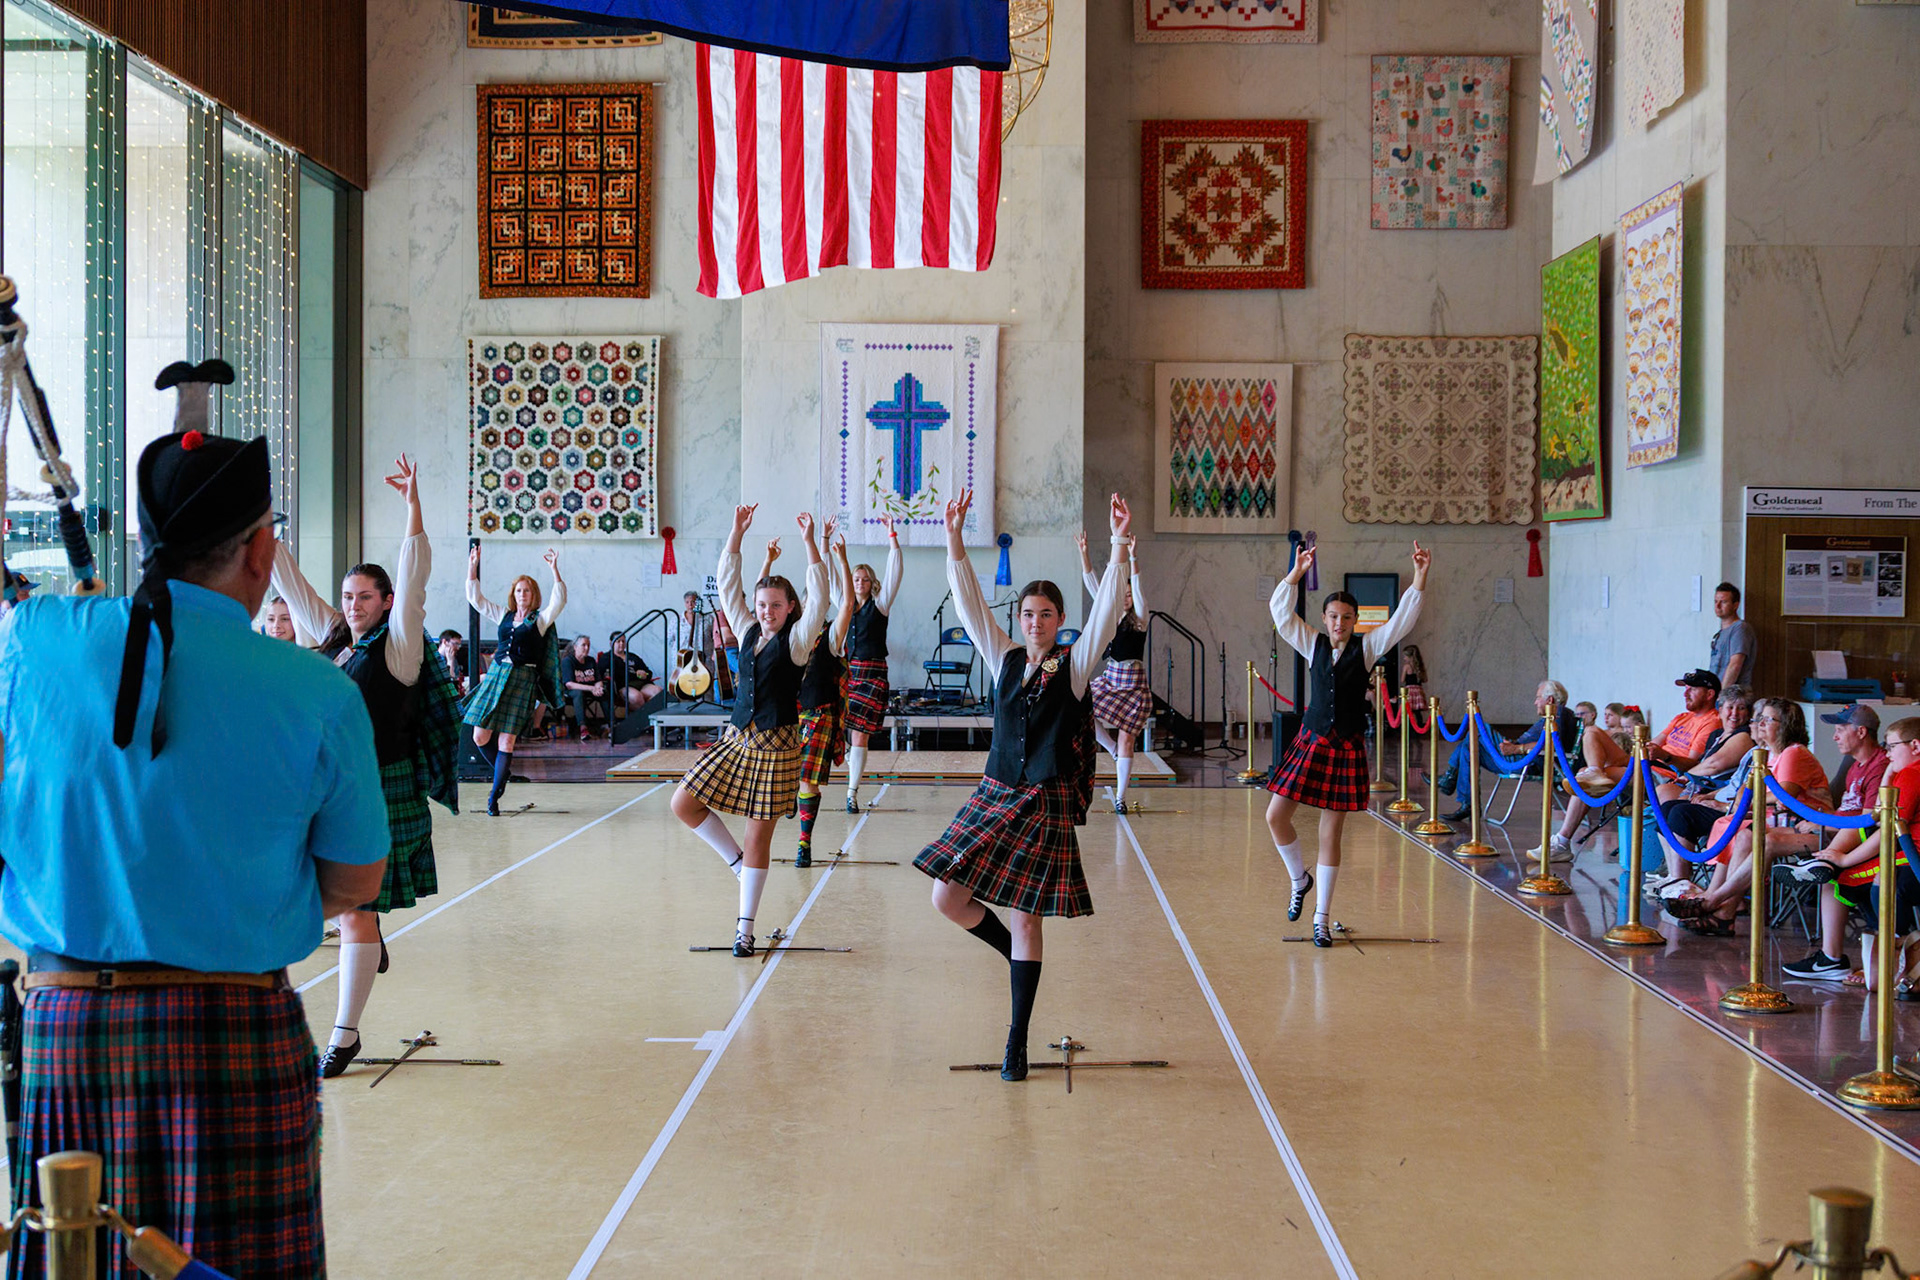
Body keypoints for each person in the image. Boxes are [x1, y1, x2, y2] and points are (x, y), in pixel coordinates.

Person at [0, 430, 389, 1276]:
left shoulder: (33, 640)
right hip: (234, 1030)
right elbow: (356, 880)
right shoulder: (318, 689)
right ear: (260, 550)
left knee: (78, 1258)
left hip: (69, 1024)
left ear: (146, 542)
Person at [916, 490, 1129, 1082]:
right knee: (946, 897)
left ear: (1061, 623)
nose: (1035, 623)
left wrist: (1116, 546)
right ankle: (1015, 957)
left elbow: (1109, 610)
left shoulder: (1075, 667)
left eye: (1046, 615)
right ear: (1019, 622)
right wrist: (954, 538)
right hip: (996, 789)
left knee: (1028, 921)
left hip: (1045, 798)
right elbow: (969, 605)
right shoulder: (1004, 655)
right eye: (1028, 615)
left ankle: (1017, 1040)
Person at [271, 455, 461, 1077]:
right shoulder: (332, 635)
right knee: (327, 903)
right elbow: (292, 585)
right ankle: (367, 944)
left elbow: (414, 581)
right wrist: (263, 531)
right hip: (328, 789)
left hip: (383, 788)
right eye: (348, 596)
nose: (353, 605)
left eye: (365, 597)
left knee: (356, 912)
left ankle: (343, 1035)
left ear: (384, 603)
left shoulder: (401, 646)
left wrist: (412, 508)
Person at [670, 506, 827, 956]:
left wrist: (811, 544)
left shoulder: (797, 641)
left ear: (790, 608)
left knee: (760, 834)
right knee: (683, 803)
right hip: (738, 738)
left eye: (776, 605)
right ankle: (738, 864)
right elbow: (726, 586)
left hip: (777, 744)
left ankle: (744, 929)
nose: (767, 611)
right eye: (762, 605)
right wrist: (736, 533)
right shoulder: (746, 628)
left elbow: (820, 596)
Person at [1265, 540, 1430, 946]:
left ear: (1357, 620)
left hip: (1347, 746)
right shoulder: (1311, 642)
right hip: (1312, 739)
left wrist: (1420, 576)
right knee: (1275, 816)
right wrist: (1297, 573)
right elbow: (1280, 613)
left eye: (1347, 617)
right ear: (1324, 618)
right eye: (1334, 616)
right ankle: (1298, 879)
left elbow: (1402, 623)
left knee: (1329, 834)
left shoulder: (1368, 647)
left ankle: (1321, 918)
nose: (1339, 623)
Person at [1664, 699, 1832, 935]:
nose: (1760, 723)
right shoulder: (1770, 756)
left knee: (1737, 829)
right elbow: (1748, 791)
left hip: (1806, 826)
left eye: (1768, 719)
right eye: (1760, 718)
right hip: (1775, 821)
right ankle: (1721, 911)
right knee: (1738, 832)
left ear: (1786, 725)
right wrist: (1748, 799)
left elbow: (1784, 795)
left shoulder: (1794, 754)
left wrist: (1748, 800)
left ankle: (1712, 901)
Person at [1783, 716, 1920, 989]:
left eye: (1892, 747)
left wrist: (1845, 859)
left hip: (1910, 856)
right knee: (1847, 857)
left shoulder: (1913, 772)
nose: (1888, 753)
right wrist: (1889, 774)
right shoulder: (1901, 771)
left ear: (1915, 746)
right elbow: (1882, 816)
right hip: (1903, 849)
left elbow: (1890, 828)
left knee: (1841, 878)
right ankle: (1823, 862)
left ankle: (1887, 959)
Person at [759, 526, 855, 867]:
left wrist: (840, 559)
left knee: (807, 782)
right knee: (786, 781)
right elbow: (761, 602)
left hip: (819, 714)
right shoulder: (788, 637)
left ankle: (804, 843)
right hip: (786, 713)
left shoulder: (830, 636)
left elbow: (847, 602)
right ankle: (794, 806)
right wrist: (768, 563)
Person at [463, 548, 567, 814]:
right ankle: (503, 771)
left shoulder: (540, 620)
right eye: (519, 591)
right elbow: (476, 599)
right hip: (497, 676)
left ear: (533, 596)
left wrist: (554, 569)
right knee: (479, 735)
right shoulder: (503, 615)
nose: (522, 595)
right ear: (514, 594)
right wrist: (472, 567)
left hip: (522, 679)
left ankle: (494, 797)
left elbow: (559, 600)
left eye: (527, 591)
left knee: (506, 742)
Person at [1436, 679, 1579, 828]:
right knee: (1469, 746)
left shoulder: (1560, 714)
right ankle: (1466, 803)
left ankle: (1450, 778)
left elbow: (1552, 745)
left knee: (1479, 728)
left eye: (1537, 698)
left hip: (1526, 762)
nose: (1535, 703)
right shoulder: (1554, 716)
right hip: (1519, 757)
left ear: (1549, 700)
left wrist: (1517, 748)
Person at [1079, 531, 1149, 813]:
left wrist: (1133, 557)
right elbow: (1093, 584)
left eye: (1130, 594)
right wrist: (1083, 553)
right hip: (1111, 679)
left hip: (1133, 686)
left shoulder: (1141, 619)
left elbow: (1140, 590)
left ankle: (1120, 797)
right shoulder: (1110, 613)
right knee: (1081, 705)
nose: (1127, 597)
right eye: (1124, 593)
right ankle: (1109, 748)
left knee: (1128, 739)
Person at [842, 514, 903, 813]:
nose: (861, 583)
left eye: (865, 579)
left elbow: (895, 573)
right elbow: (827, 579)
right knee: (840, 733)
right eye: (856, 579)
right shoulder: (845, 607)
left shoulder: (881, 604)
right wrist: (826, 546)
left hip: (874, 672)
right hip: (849, 672)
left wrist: (892, 539)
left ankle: (851, 792)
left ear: (872, 582)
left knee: (860, 735)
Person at [1646, 670, 1724, 774]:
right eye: (1686, 688)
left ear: (1709, 694)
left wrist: (1665, 756)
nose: (1685, 694)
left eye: (1692, 689)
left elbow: (1692, 765)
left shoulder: (1713, 723)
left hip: (1667, 774)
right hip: (1650, 767)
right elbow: (1655, 743)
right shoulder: (1682, 717)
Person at [1709, 582, 1755, 688]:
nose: (1718, 606)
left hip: (1732, 697)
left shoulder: (1740, 629)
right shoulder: (1720, 633)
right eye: (1716, 601)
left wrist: (1722, 695)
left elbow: (1735, 665)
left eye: (1723, 602)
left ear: (1735, 605)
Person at [602, 630, 661, 712]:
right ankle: (644, 721)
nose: (621, 644)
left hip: (641, 684)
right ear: (611, 643)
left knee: (658, 692)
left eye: (623, 641)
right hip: (623, 686)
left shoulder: (633, 656)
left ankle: (649, 719)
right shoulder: (607, 658)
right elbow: (609, 674)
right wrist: (634, 674)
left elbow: (648, 672)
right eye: (618, 641)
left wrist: (645, 674)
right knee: (637, 696)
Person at [562, 633, 607, 739]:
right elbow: (569, 684)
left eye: (588, 645)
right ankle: (583, 728)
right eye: (583, 645)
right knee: (579, 694)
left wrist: (599, 688)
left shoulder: (590, 661)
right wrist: (592, 688)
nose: (587, 648)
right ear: (575, 647)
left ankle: (611, 724)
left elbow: (598, 679)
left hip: (590, 689)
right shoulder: (568, 661)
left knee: (604, 692)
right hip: (572, 691)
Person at [437, 628, 470, 696]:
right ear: (445, 642)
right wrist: (450, 661)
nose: (457, 648)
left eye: (459, 645)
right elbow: (450, 680)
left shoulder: (454, 656)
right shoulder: (436, 659)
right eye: (455, 644)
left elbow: (457, 677)